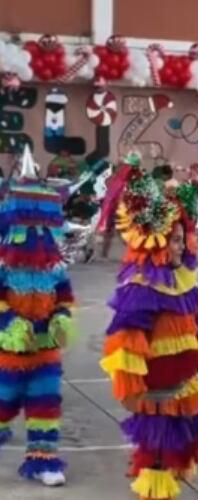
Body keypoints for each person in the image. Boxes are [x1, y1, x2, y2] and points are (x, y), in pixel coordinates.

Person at [99, 159, 198, 500]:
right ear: (154, 243)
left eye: (184, 239)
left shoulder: (183, 281)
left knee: (181, 436)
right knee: (157, 449)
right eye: (174, 240)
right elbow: (127, 344)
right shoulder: (140, 289)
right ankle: (154, 487)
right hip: (155, 388)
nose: (182, 246)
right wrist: (130, 387)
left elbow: (197, 325)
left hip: (184, 380)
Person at [0, 146, 76, 486]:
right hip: (7, 354)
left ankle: (43, 459)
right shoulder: (4, 265)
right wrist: (9, 323)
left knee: (45, 401)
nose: (37, 235)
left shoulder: (54, 266)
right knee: (4, 401)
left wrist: (62, 316)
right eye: (29, 226)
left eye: (43, 227)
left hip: (45, 349)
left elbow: (65, 294)